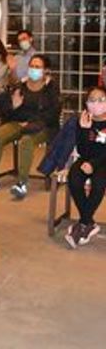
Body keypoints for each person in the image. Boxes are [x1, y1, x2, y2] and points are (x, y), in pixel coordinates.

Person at [0, 54, 60, 199]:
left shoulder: (51, 88)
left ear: (46, 70)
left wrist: (31, 122)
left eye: (37, 67)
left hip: (42, 126)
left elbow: (53, 114)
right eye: (31, 66)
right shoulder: (20, 86)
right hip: (18, 122)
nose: (33, 69)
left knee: (26, 141)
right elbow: (5, 113)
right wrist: (14, 107)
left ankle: (22, 183)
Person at [64, 86, 106, 248]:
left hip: (103, 162)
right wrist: (84, 129)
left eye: (101, 99)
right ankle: (88, 222)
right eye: (92, 100)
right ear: (86, 103)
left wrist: (93, 165)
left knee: (99, 182)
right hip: (86, 158)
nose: (97, 103)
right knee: (74, 178)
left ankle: (82, 223)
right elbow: (83, 151)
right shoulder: (83, 120)